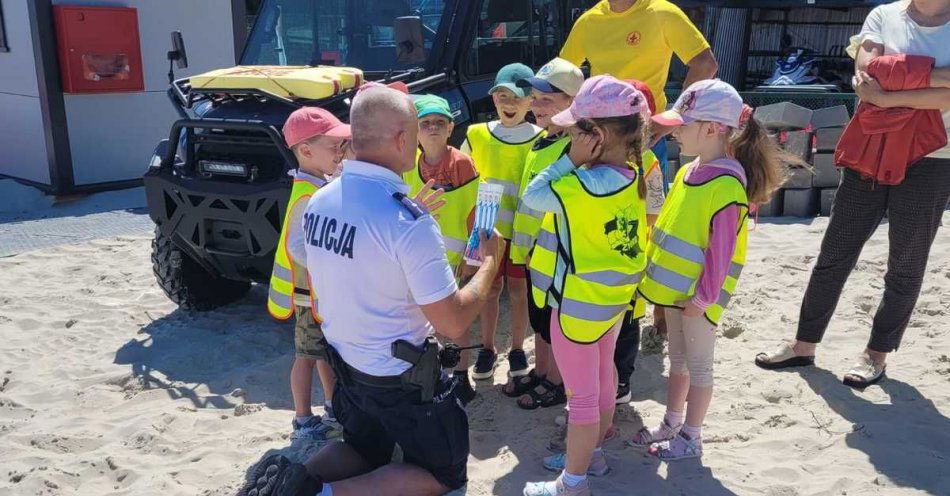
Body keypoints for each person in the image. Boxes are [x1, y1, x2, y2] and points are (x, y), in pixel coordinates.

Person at [251, 85, 505, 496]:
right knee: (445, 475)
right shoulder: (406, 222)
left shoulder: (321, 199)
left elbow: (353, 267)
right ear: (404, 139)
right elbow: (452, 320)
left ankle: (296, 481)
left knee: (364, 447)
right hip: (398, 376)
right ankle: (320, 494)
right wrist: (489, 266)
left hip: (348, 365)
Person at [754, 0, 950, 388]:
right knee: (835, 252)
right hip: (871, 148)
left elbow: (916, 92)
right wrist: (932, 77)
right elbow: (864, 74)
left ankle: (876, 355)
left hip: (933, 155)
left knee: (906, 261)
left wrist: (888, 96)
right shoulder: (884, 15)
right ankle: (803, 344)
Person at [633, 79, 785, 461]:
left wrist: (703, 299)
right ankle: (672, 422)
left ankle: (692, 436)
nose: (675, 131)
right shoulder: (688, 173)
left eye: (683, 123)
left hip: (699, 298)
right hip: (674, 291)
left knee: (699, 367)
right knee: (678, 362)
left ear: (713, 128)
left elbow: (721, 251)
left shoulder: (728, 186)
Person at [522, 76, 652, 496]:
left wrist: (568, 160)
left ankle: (571, 483)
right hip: (611, 302)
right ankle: (591, 458)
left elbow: (534, 195)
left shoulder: (578, 184)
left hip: (577, 304)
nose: (564, 136)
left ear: (593, 136)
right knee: (603, 379)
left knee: (580, 397)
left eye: (573, 131)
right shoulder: (633, 175)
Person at [559, 0, 718, 194]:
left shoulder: (662, 12)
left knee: (650, 216)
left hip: (646, 137)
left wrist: (676, 116)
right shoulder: (588, 20)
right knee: (601, 215)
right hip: (599, 139)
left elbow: (705, 64)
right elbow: (561, 76)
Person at [503, 58, 584, 409]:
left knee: (552, 318)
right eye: (534, 97)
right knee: (539, 317)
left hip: (553, 252)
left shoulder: (572, 148)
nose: (536, 105)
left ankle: (556, 380)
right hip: (533, 250)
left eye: (547, 100)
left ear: (572, 103)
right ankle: (543, 369)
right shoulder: (541, 140)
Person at [267, 106, 349, 441]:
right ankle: (302, 418)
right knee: (306, 356)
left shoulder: (320, 184)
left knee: (323, 353)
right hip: (307, 295)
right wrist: (329, 263)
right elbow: (297, 247)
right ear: (305, 151)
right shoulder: (306, 195)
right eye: (334, 147)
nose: (340, 153)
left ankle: (332, 405)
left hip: (320, 294)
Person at [461, 63, 544, 383]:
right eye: (501, 96)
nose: (509, 104)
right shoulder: (476, 134)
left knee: (519, 289)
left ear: (530, 101)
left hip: (522, 231)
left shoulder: (539, 139)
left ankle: (518, 348)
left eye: (516, 97)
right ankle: (487, 346)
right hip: (486, 229)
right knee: (489, 289)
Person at [402, 93, 480, 404]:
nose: (433, 128)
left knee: (455, 319)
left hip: (455, 257)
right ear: (415, 131)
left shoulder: (461, 163)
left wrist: (472, 258)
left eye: (439, 122)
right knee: (424, 318)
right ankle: (435, 373)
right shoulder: (410, 164)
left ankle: (462, 377)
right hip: (421, 256)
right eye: (425, 123)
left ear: (450, 128)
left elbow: (476, 211)